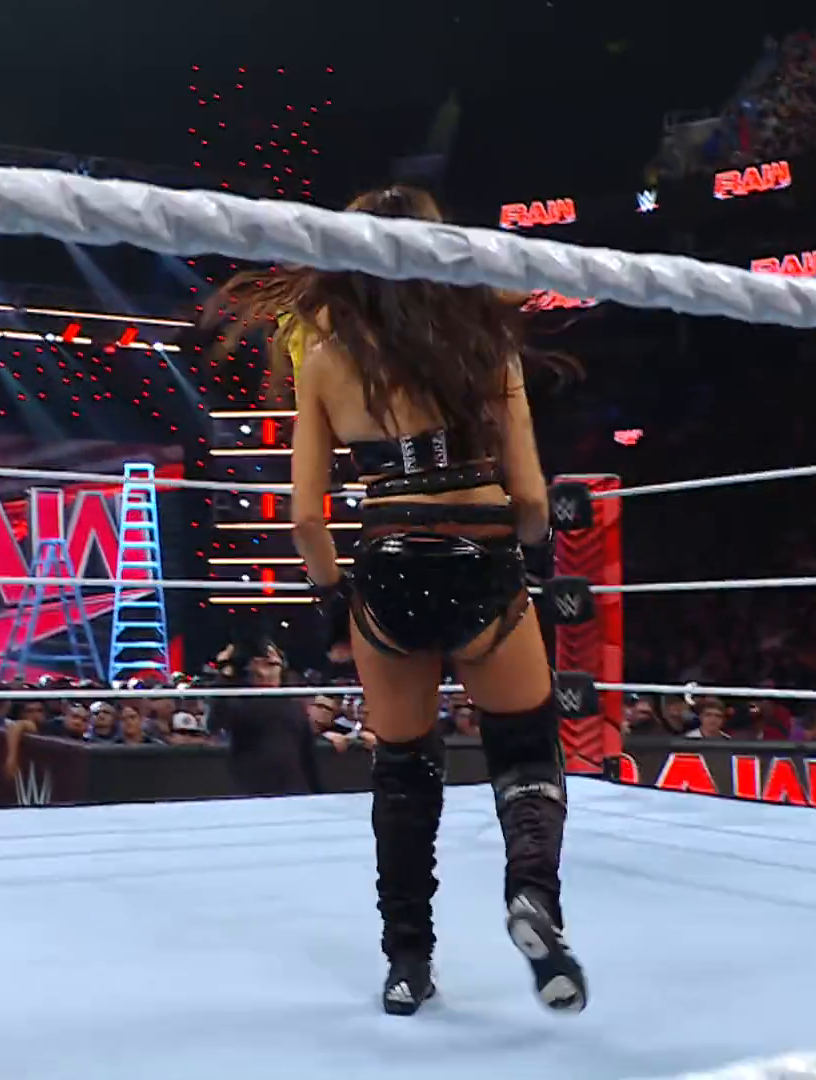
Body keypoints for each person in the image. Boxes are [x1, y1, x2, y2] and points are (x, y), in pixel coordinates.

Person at [208, 185, 587, 1016]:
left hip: (388, 565)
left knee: (404, 772)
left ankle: (407, 963)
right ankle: (533, 897)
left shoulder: (325, 358)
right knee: (525, 751)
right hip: (482, 552)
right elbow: (530, 496)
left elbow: (307, 516)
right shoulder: (485, 342)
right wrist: (523, 564)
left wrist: (333, 599)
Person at [204, 634, 323, 797]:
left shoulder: (294, 704)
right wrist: (227, 670)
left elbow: (307, 755)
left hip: (295, 791)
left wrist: (317, 792)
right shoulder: (241, 703)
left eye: (271, 663)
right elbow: (215, 721)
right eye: (258, 662)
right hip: (254, 792)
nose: (264, 670)